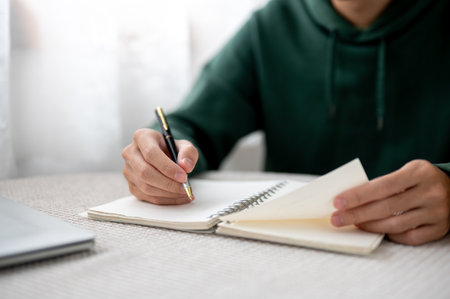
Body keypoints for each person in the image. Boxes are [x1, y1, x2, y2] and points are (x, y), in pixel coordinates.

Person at [121, 0, 450, 246]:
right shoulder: (271, 26)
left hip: (424, 257)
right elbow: (191, 124)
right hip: (289, 254)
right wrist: (161, 156)